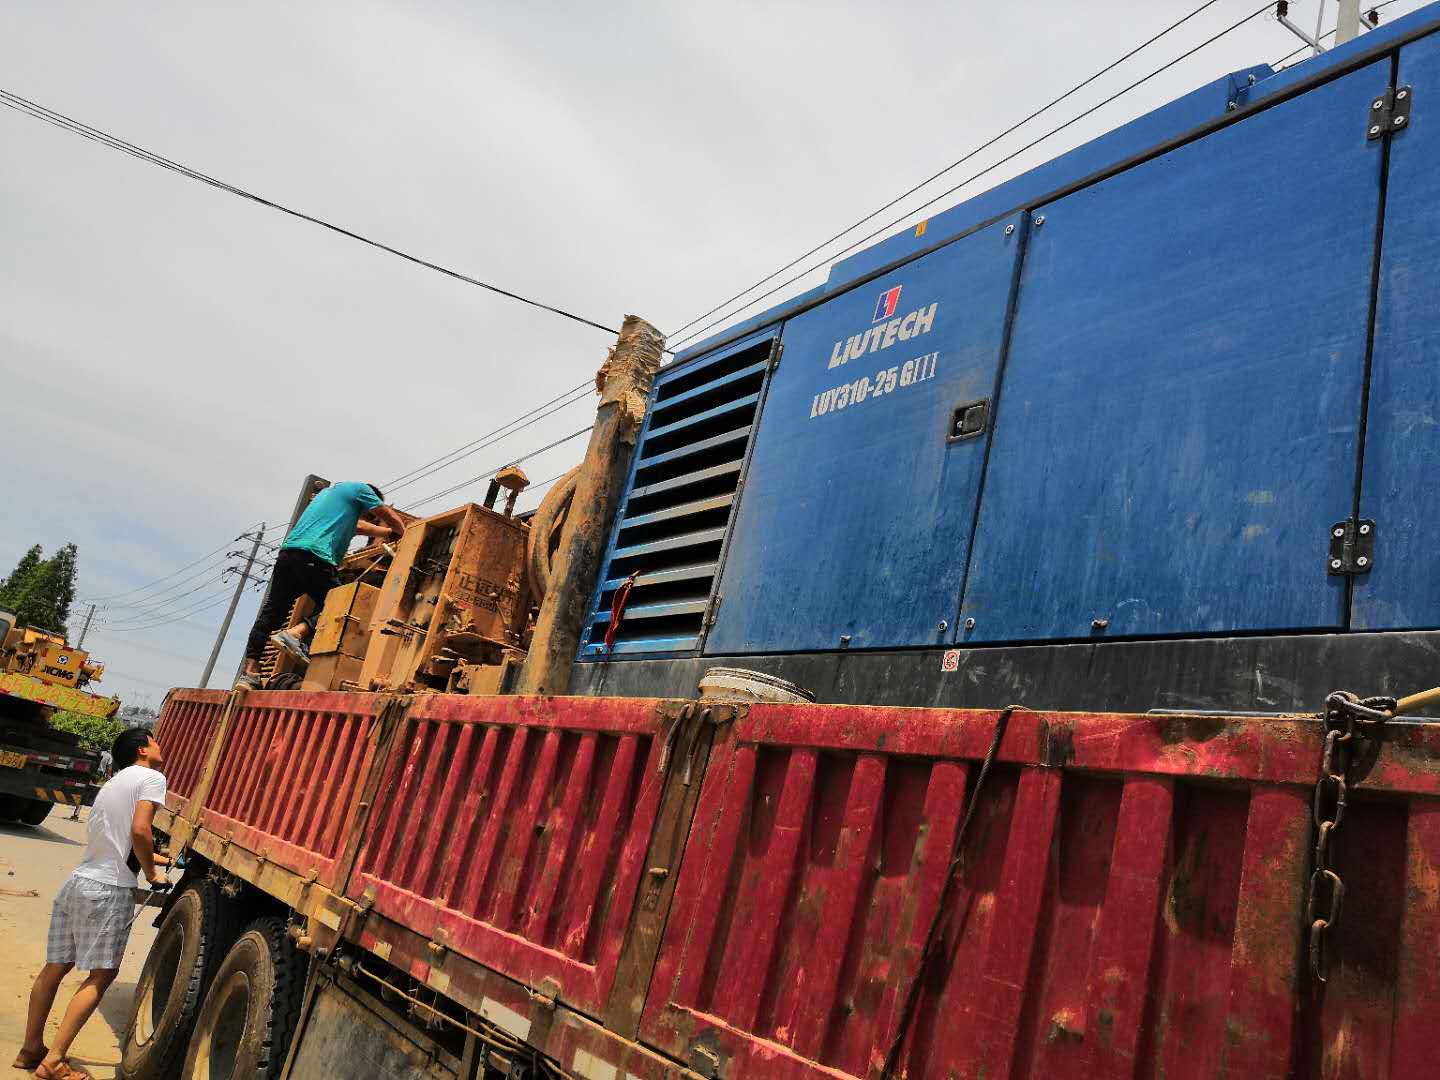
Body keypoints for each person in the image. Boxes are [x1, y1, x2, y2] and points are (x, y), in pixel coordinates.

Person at [15, 728, 169, 1079]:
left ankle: (30, 1050)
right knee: (101, 975)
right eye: (155, 740)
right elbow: (140, 830)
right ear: (143, 750)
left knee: (55, 966)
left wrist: (154, 857)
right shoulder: (152, 777)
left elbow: (116, 837)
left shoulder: (114, 782)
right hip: (108, 890)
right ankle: (54, 1061)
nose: (161, 747)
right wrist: (151, 873)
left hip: (79, 882)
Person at [238, 481, 405, 689]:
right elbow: (386, 514)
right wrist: (402, 531)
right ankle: (295, 633)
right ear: (368, 501)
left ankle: (250, 674)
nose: (368, 518)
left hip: (288, 556)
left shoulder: (331, 498)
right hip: (315, 557)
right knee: (341, 604)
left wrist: (387, 534)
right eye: (370, 514)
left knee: (271, 615)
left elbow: (360, 527)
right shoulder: (361, 489)